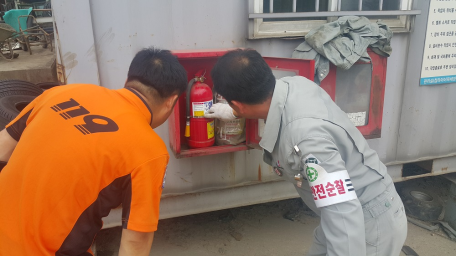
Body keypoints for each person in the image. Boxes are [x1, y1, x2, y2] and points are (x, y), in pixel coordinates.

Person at [205, 49, 407, 256]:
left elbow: (342, 210)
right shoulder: (295, 84)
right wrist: (231, 111)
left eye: (233, 104)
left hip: (366, 222)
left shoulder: (308, 140)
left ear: (239, 103)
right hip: (347, 212)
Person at [0, 47, 187, 256]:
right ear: (171, 101)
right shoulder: (149, 151)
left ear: (127, 81)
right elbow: (136, 240)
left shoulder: (62, 93)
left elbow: (3, 148)